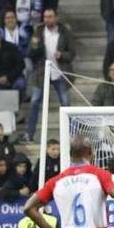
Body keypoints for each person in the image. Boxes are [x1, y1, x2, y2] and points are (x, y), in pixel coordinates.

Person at [27, 9, 75, 142]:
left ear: (56, 17)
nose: (47, 19)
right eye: (45, 17)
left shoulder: (65, 32)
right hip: (41, 73)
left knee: (66, 103)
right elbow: (30, 54)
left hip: (60, 71)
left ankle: (71, 135)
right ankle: (28, 134)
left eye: (50, 16)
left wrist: (62, 55)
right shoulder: (38, 32)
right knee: (34, 101)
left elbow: (72, 53)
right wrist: (35, 46)